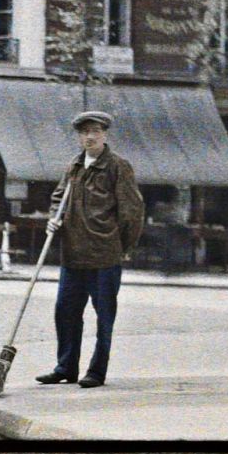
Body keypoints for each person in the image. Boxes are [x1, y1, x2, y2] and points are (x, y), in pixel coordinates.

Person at [35, 109, 145, 389]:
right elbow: (59, 196)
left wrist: (125, 246)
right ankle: (66, 367)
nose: (90, 137)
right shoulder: (74, 166)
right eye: (85, 132)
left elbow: (132, 210)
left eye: (95, 131)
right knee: (65, 310)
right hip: (73, 253)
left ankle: (96, 371)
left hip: (104, 254)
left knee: (103, 315)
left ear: (104, 134)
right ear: (79, 136)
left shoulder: (118, 166)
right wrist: (54, 219)